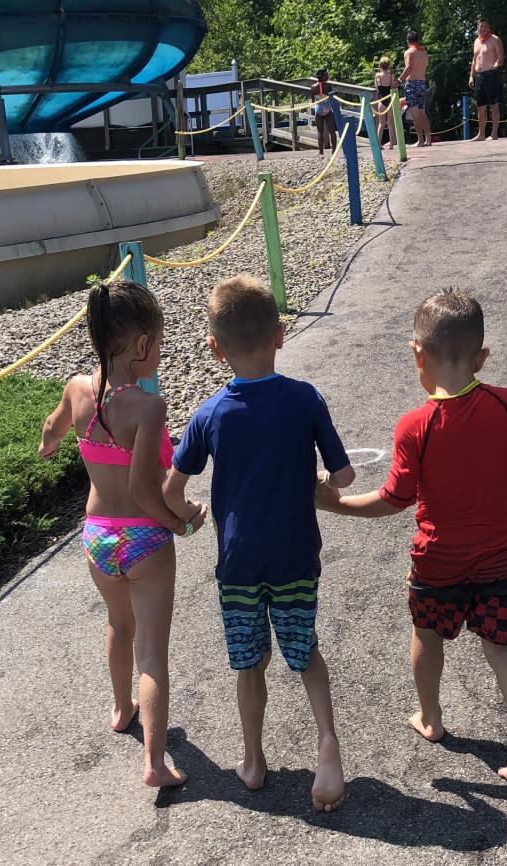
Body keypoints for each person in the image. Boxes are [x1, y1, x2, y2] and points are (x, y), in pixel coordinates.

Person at [316, 290, 507, 783]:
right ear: (482, 357)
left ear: (418, 355)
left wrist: (334, 503)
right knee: (505, 647)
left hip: (437, 563)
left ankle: (431, 718)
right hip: (499, 560)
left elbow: (393, 500)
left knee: (427, 635)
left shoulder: (415, 425)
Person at [164, 275, 355, 812]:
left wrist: (188, 518)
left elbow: (171, 489)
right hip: (296, 555)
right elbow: (342, 479)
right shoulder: (304, 399)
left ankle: (252, 761)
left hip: (240, 564)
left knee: (250, 664)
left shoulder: (208, 414)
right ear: (280, 333)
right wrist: (311, 484)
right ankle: (328, 742)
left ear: (214, 348)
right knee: (305, 651)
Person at [38, 279, 207, 788]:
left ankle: (120, 708)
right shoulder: (147, 408)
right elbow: (142, 489)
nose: (159, 352)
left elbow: (50, 433)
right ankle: (155, 763)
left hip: (96, 536)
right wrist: (179, 523)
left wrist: (51, 442)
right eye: (159, 342)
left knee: (119, 625)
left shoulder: (76, 389)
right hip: (143, 540)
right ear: (141, 346)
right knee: (152, 652)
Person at [469, 18, 505, 141]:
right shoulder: (476, 41)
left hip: (491, 74)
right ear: (478, 28)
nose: (482, 28)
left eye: (485, 26)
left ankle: (494, 133)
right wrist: (471, 76)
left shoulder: (495, 39)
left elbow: (501, 57)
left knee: (493, 105)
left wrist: (497, 64)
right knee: (480, 106)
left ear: (488, 28)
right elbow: (474, 60)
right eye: (480, 26)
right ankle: (481, 134)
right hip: (479, 76)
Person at [400, 31, 433, 147]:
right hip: (422, 82)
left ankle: (420, 140)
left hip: (412, 83)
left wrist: (399, 80)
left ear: (408, 41)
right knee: (422, 113)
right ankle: (428, 138)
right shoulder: (424, 53)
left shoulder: (409, 52)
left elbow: (409, 67)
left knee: (415, 114)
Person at [310, 69, 336, 156]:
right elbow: (331, 97)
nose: (328, 75)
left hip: (318, 109)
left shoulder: (313, 87)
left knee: (320, 131)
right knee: (331, 130)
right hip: (328, 108)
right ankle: (334, 150)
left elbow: (313, 100)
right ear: (323, 76)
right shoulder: (329, 86)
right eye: (326, 74)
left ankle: (321, 151)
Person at [374, 56, 398, 149]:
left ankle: (378, 144)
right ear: (389, 66)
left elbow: (377, 87)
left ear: (380, 65)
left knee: (381, 123)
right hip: (390, 100)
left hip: (382, 100)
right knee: (390, 123)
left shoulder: (378, 75)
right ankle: (391, 145)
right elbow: (392, 86)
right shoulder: (391, 75)